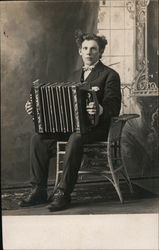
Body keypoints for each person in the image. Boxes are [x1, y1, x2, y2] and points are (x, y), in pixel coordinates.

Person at [19, 31, 121, 211]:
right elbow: (60, 104)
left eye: (93, 49)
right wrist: (35, 109)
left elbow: (114, 108)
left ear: (101, 52)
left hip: (97, 128)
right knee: (38, 138)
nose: (89, 52)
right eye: (85, 48)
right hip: (73, 126)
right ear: (80, 52)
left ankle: (63, 194)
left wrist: (100, 109)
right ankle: (38, 190)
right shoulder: (73, 75)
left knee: (76, 137)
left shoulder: (110, 75)